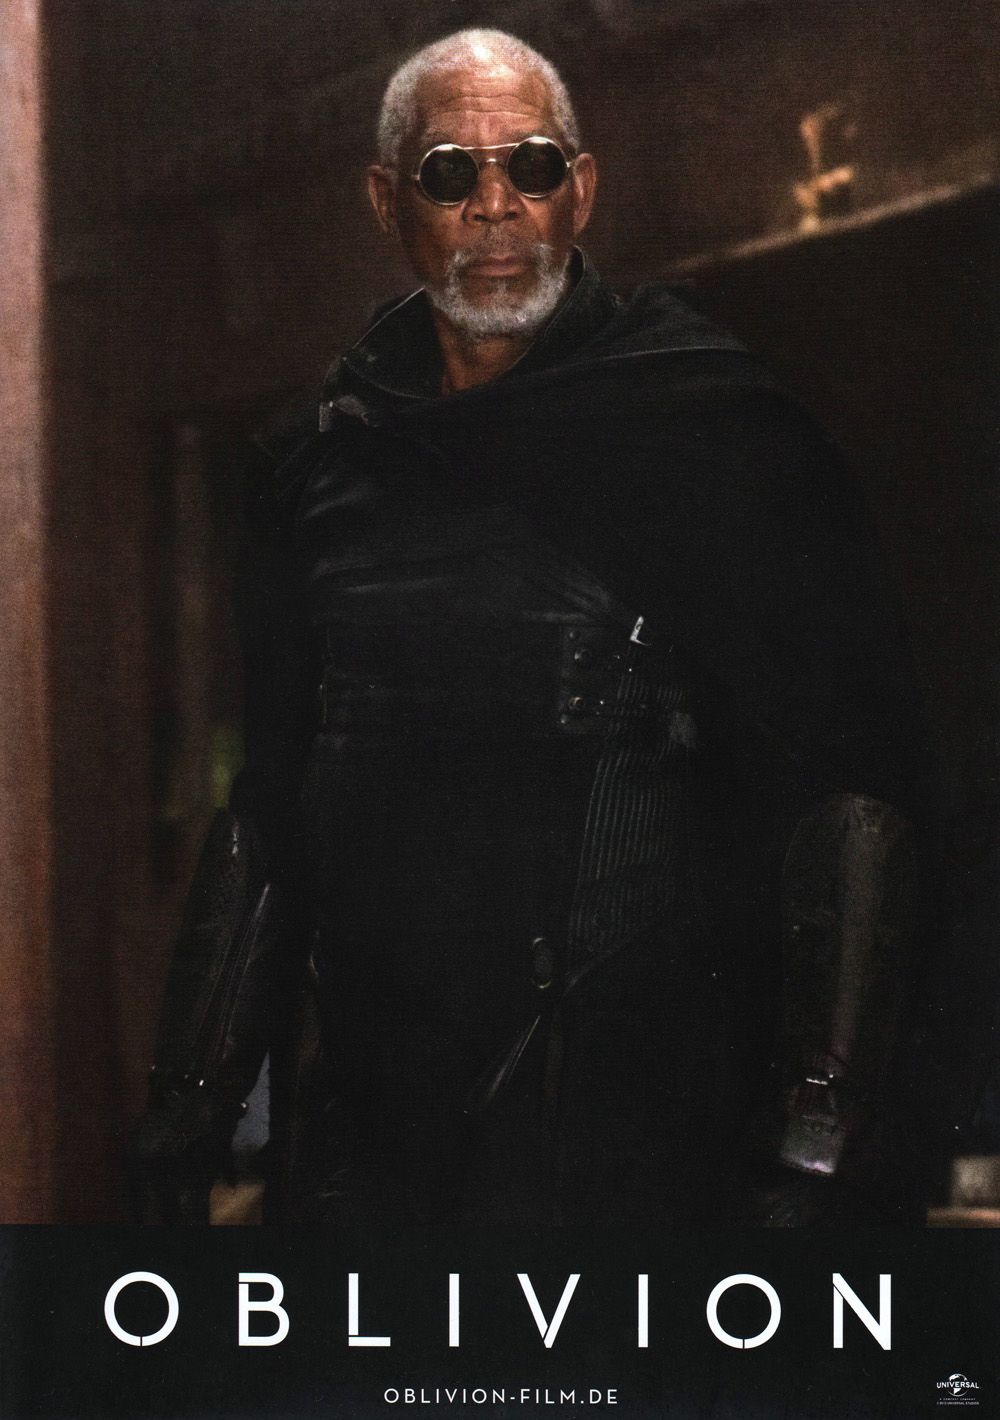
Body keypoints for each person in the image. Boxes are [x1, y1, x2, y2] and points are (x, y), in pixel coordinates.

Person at [133, 29, 928, 1227]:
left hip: (637, 1141)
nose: (496, 206)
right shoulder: (318, 465)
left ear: (581, 191)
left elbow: (849, 794)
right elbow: (273, 810)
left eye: (534, 166)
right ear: (387, 200)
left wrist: (817, 1137)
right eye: (450, 173)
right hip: (375, 1142)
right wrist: (185, 1110)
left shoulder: (716, 433)